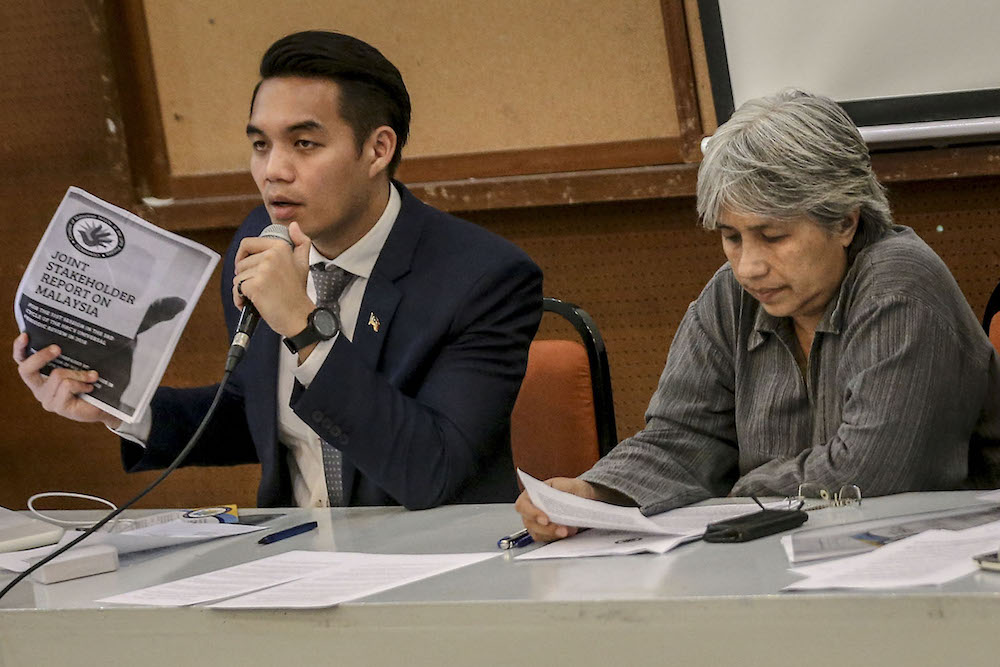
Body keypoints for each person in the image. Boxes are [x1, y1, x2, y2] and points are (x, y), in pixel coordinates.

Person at [14, 30, 543, 510]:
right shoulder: (262, 242)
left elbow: (433, 472)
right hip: (295, 563)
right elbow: (258, 414)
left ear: (378, 149)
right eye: (261, 145)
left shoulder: (483, 278)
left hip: (439, 571)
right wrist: (120, 408)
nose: (273, 171)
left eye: (304, 144)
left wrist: (305, 326)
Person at [517, 89, 1000, 541]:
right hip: (786, 556)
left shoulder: (901, 286)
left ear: (845, 221)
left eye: (773, 237)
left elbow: (871, 478)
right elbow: (684, 438)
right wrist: (595, 493)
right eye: (732, 237)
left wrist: (735, 488)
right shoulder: (731, 296)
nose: (748, 266)